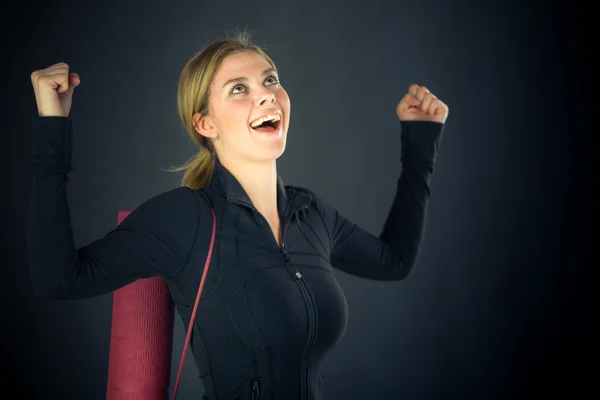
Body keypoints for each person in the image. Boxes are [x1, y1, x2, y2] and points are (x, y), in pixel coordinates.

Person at [28, 31, 448, 400]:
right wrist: (52, 125)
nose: (266, 93)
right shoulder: (185, 217)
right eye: (238, 89)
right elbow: (58, 279)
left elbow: (395, 262)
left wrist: (421, 142)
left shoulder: (310, 214)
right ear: (205, 124)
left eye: (270, 80)